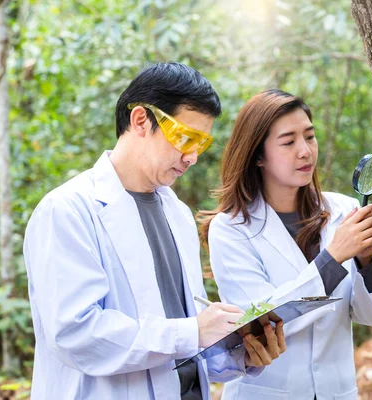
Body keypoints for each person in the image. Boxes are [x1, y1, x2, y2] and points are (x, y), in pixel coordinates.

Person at [23, 63, 286, 400]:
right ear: (140, 121)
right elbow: (76, 334)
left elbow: (183, 334)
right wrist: (192, 331)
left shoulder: (176, 213)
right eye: (185, 138)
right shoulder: (67, 210)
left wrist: (239, 353)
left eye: (201, 144)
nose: (190, 157)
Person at [199, 89, 372, 400]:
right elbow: (264, 320)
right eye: (289, 142)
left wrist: (366, 261)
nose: (305, 151)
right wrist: (333, 258)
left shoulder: (343, 211)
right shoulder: (231, 229)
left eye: (310, 136)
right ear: (258, 155)